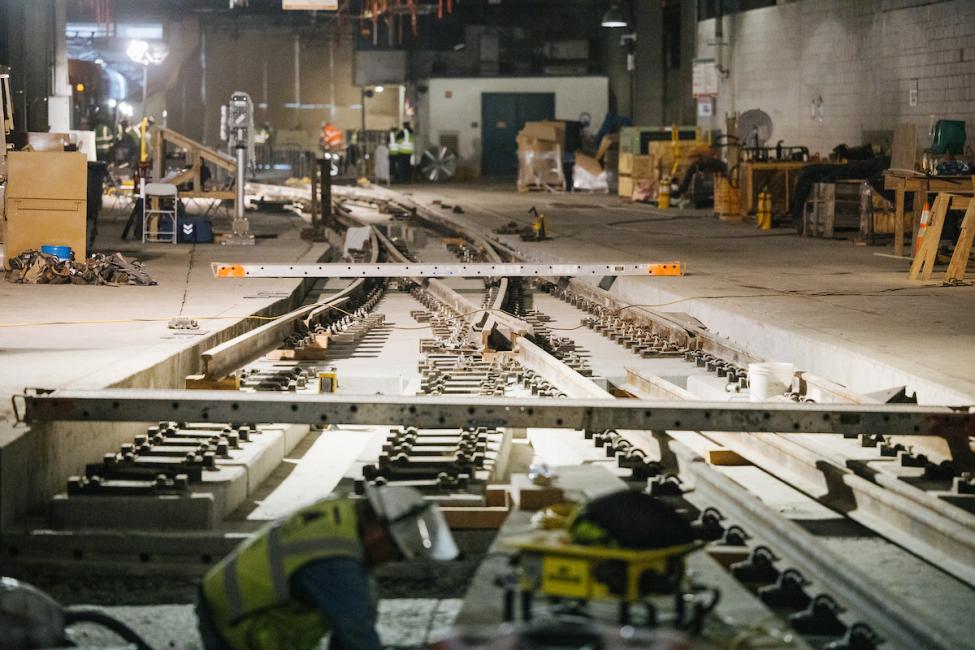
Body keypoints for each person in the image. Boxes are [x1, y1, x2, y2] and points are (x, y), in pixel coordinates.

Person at [196, 485, 459, 650]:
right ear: (379, 531)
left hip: (233, 596)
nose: (389, 561)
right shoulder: (337, 563)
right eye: (395, 553)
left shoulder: (343, 514)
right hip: (237, 616)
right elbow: (356, 635)